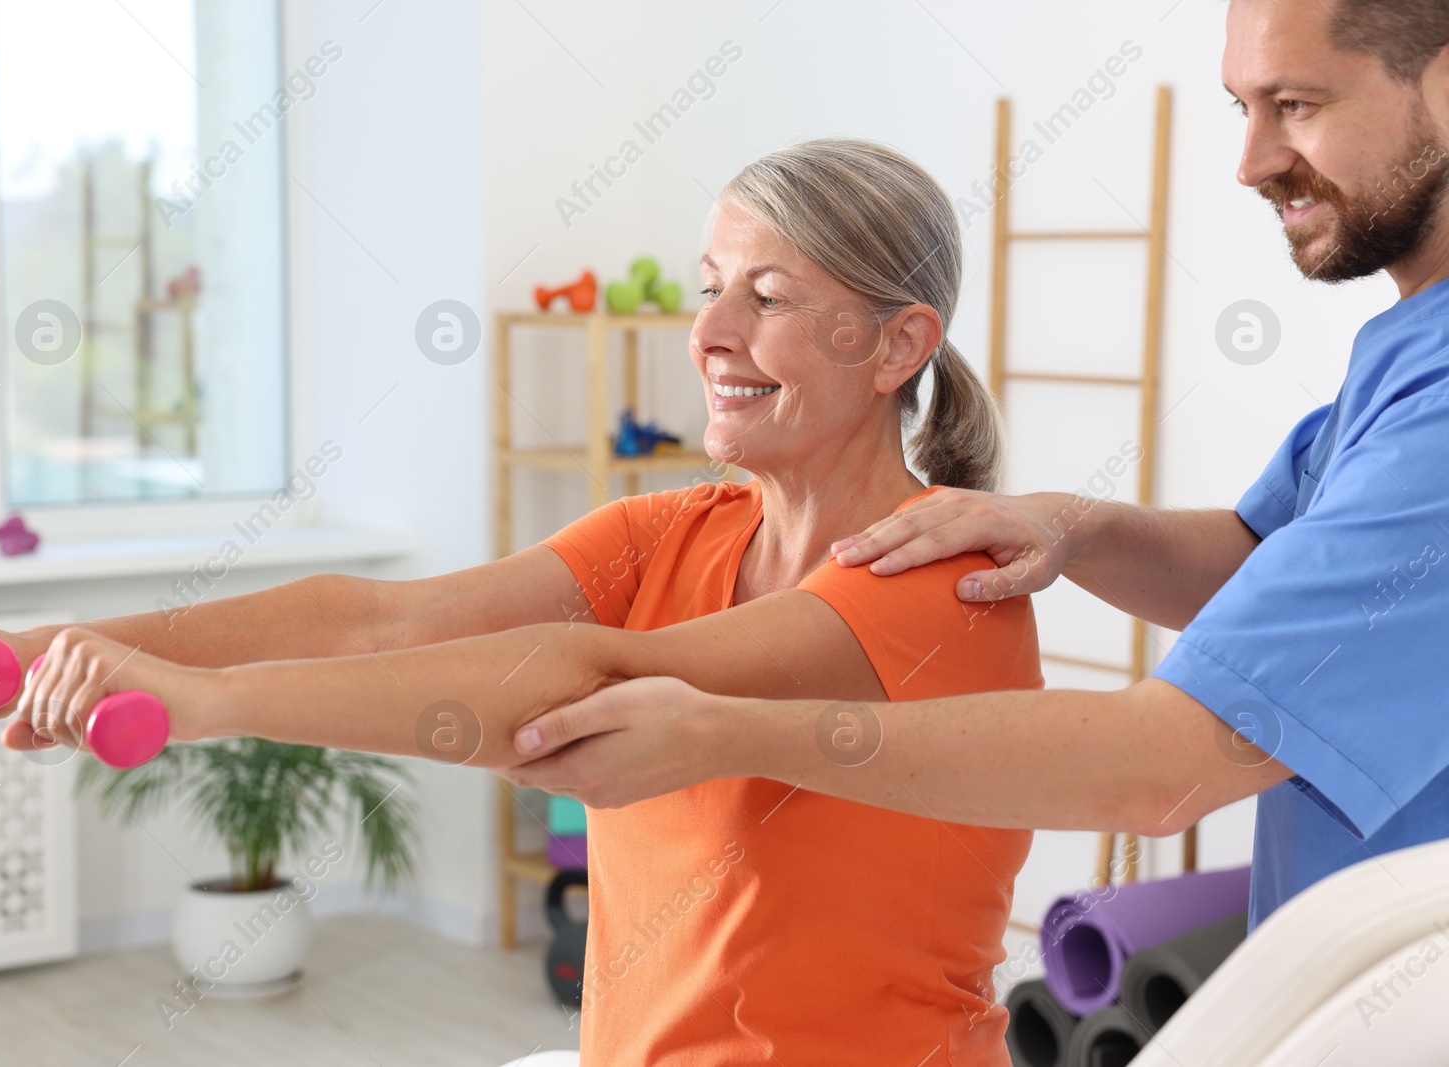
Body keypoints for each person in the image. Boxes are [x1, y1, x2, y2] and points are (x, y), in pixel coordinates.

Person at [0, 141, 1043, 1064]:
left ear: (898, 342)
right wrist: (44, 646)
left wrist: (199, 698)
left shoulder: (946, 581)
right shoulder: (676, 529)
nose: (707, 332)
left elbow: (587, 684)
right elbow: (377, 619)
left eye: (768, 295)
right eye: (707, 289)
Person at [504, 0, 1449, 935]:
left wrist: (725, 731)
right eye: (1241, 107)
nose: (1249, 163)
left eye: (1296, 105)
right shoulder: (1406, 354)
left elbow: (1164, 767)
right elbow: (1260, 563)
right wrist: (1074, 523)